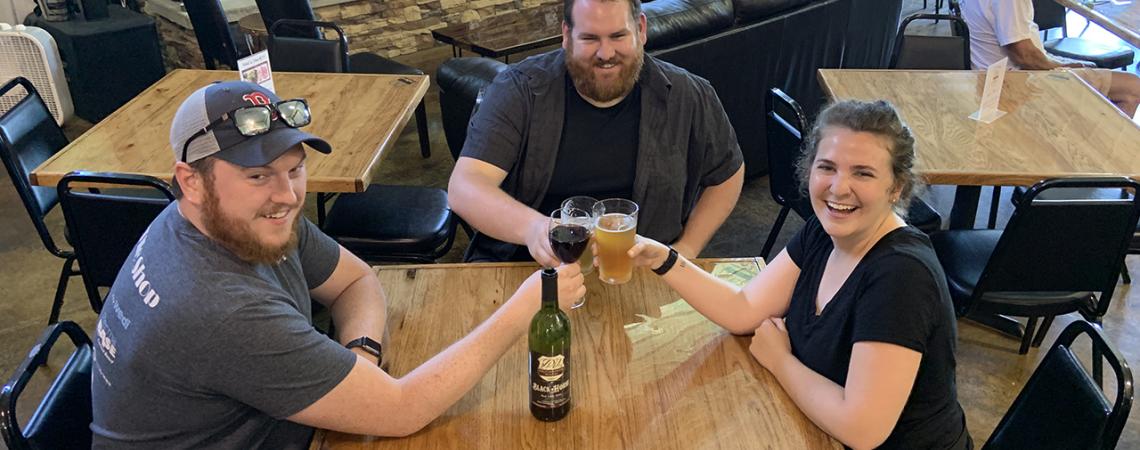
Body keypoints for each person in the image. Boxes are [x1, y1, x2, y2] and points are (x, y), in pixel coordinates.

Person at [90, 81, 585, 448]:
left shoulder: (237, 220)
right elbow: (402, 410)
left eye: (295, 168)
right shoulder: (217, 309)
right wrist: (528, 308)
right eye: (257, 174)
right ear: (191, 180)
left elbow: (356, 279)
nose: (286, 196)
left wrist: (359, 357)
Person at [624, 101, 971, 449]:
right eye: (827, 167)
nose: (838, 188)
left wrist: (780, 361)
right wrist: (664, 259)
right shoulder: (825, 232)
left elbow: (862, 429)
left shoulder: (901, 276)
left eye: (862, 173)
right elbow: (742, 310)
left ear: (896, 187)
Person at [447, 0, 745, 265]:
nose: (606, 54)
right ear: (566, 36)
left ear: (640, 29)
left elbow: (728, 174)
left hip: (641, 273)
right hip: (527, 269)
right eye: (590, 38)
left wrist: (686, 249)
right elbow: (465, 187)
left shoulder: (690, 95)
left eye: (618, 36)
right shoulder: (519, 89)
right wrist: (534, 228)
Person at [961, 0, 1140, 117]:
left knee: (1102, 76)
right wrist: (1062, 67)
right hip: (1020, 80)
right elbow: (1023, 54)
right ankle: (1104, 163)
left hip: (992, 75)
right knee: (1133, 87)